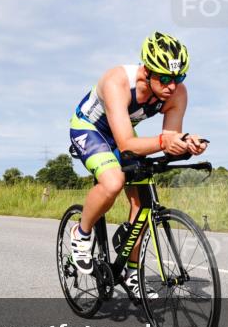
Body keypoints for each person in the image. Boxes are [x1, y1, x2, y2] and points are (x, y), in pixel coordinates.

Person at [68, 32, 206, 300]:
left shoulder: (177, 94)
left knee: (143, 205)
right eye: (164, 78)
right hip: (90, 129)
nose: (171, 86)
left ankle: (132, 273)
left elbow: (169, 141)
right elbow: (128, 143)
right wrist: (166, 141)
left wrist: (187, 143)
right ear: (146, 71)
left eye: (179, 78)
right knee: (113, 181)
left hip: (124, 135)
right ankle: (81, 232)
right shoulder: (116, 81)